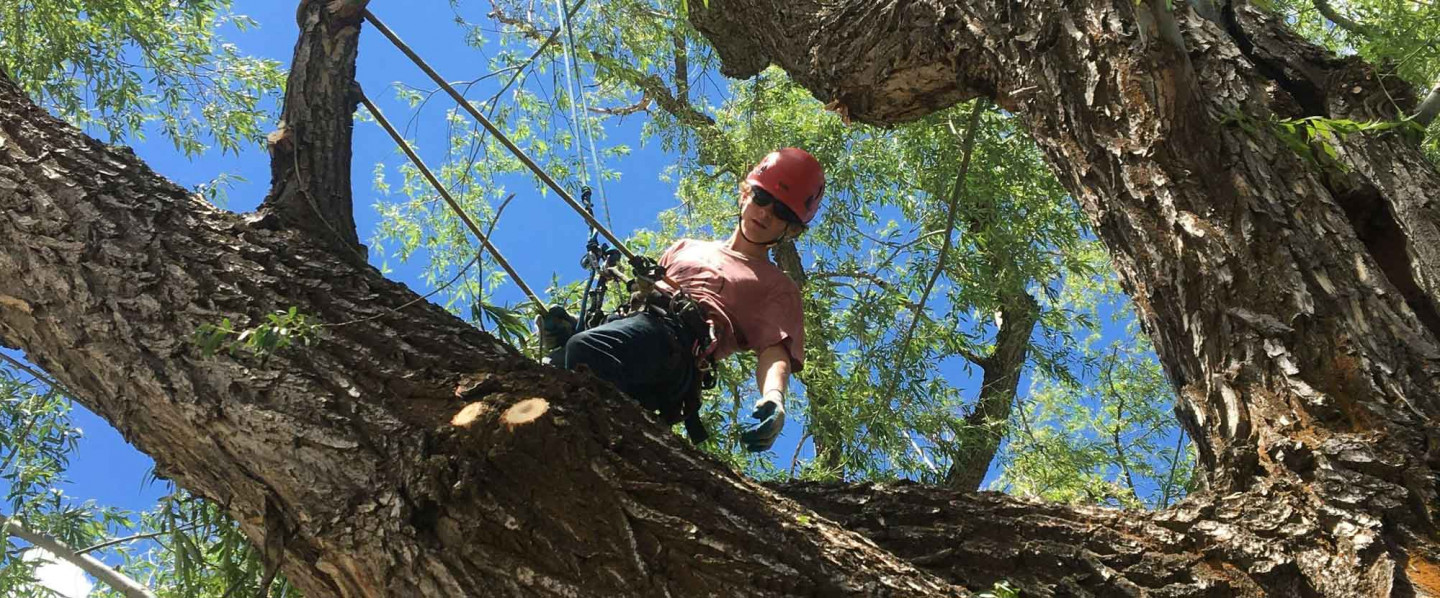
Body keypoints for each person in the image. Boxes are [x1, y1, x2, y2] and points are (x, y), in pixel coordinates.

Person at [539, 148, 824, 452]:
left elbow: (774, 352)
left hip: (677, 349)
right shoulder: (685, 247)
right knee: (546, 371)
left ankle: (616, 446)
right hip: (638, 331)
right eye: (762, 198)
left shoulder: (777, 285)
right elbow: (641, 308)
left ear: (791, 230)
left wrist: (774, 396)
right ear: (744, 195)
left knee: (587, 349)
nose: (766, 212)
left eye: (781, 211)